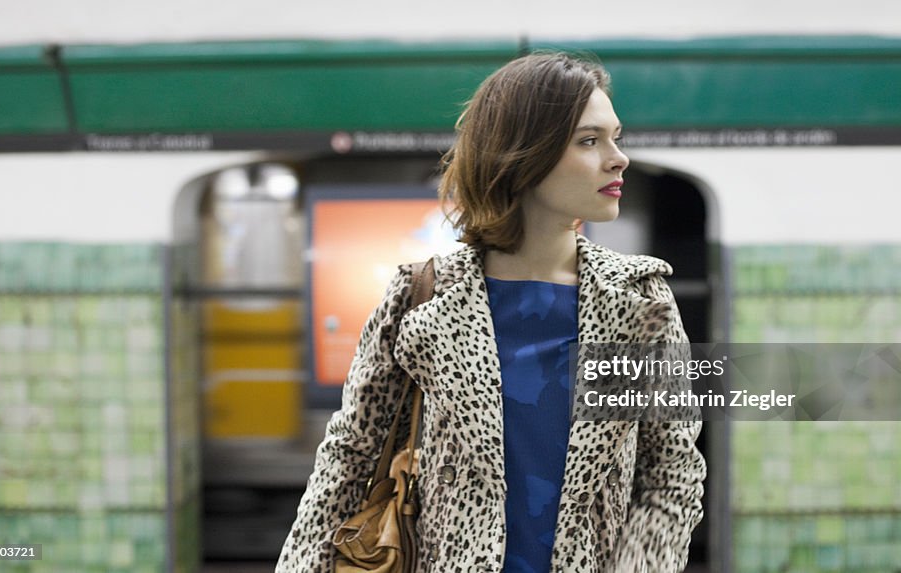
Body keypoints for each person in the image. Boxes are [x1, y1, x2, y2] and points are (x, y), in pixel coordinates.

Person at [276, 51, 706, 573]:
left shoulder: (641, 300)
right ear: (523, 155)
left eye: (616, 138)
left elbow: (670, 475)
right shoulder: (422, 296)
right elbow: (349, 457)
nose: (619, 159)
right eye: (589, 141)